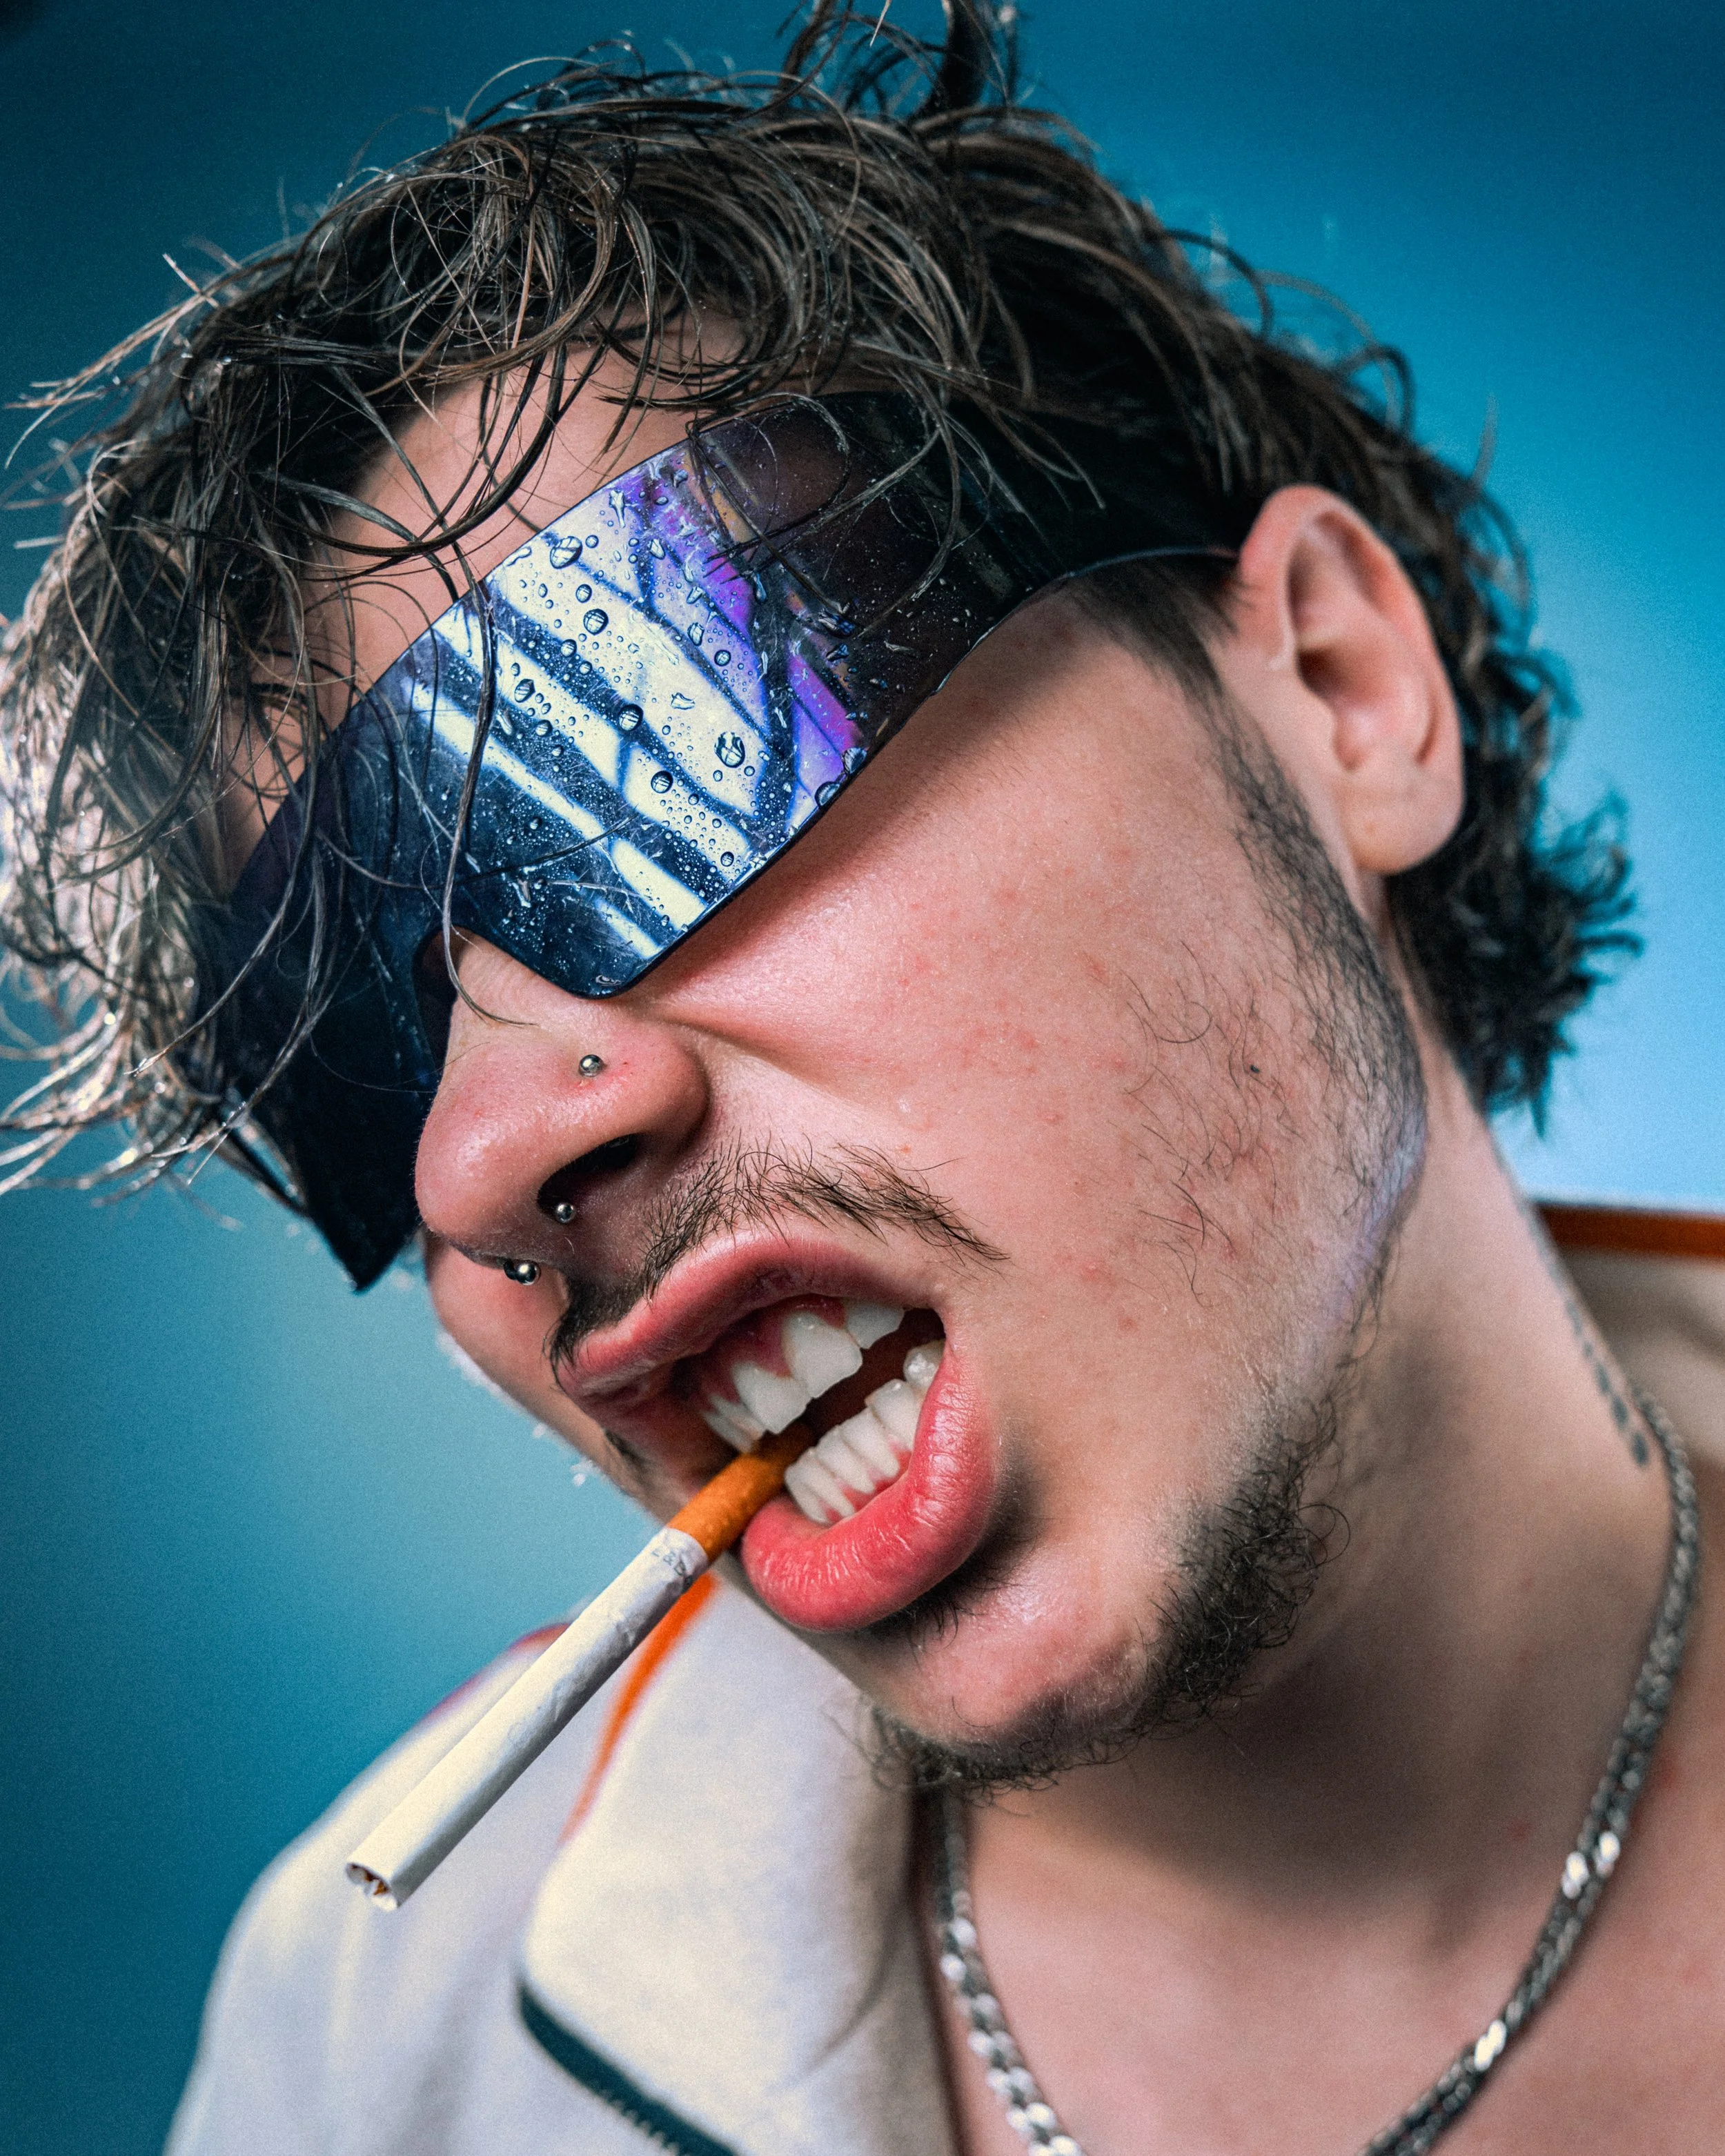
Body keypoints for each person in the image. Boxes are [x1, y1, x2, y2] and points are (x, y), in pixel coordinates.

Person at [3, 7, 1720, 2150]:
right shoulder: (366, 2053)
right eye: (347, 1065)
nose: (478, 1154)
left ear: (1339, 691)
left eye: (653, 758)